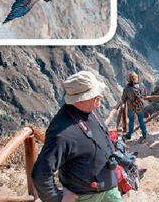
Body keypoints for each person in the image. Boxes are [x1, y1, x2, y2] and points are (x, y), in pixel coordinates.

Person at [32, 71, 122, 202]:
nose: (100, 96)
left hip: (109, 189)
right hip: (86, 197)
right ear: (81, 98)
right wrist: (57, 198)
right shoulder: (62, 134)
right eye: (94, 94)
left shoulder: (88, 110)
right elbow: (40, 174)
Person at [121, 72, 148, 140]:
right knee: (141, 120)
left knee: (131, 121)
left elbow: (123, 98)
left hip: (131, 107)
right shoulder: (141, 86)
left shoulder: (127, 89)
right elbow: (144, 95)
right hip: (139, 106)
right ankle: (144, 134)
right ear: (136, 78)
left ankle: (129, 134)